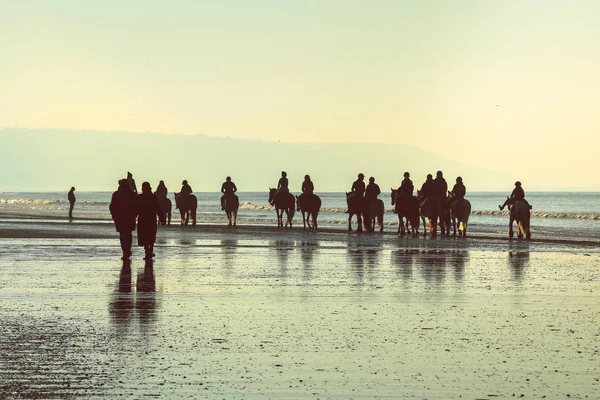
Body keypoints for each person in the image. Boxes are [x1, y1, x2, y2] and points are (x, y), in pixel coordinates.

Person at [110, 179, 138, 260]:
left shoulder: (116, 194)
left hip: (119, 218)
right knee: (128, 235)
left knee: (122, 235)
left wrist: (114, 215)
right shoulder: (132, 194)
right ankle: (127, 250)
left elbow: (112, 206)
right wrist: (135, 214)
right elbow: (136, 205)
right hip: (130, 218)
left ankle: (125, 251)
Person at [137, 182, 165, 260]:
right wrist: (162, 217)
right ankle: (151, 250)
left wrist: (133, 216)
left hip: (142, 218)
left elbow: (136, 208)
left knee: (144, 235)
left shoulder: (140, 197)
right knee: (151, 234)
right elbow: (158, 208)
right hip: (151, 218)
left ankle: (147, 251)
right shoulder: (153, 197)